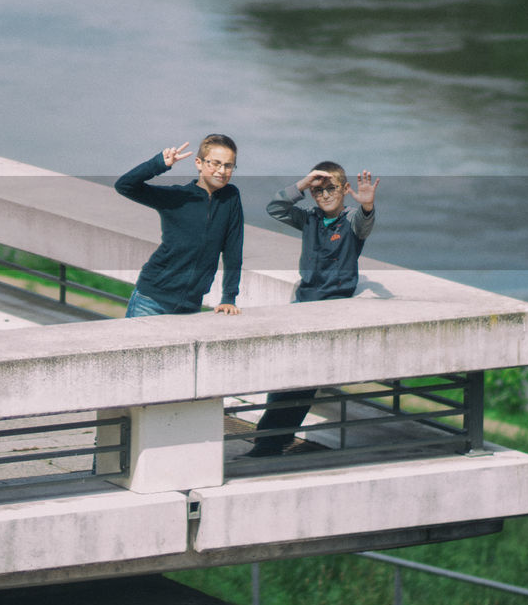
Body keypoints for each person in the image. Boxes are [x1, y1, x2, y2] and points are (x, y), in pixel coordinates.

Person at [246, 162, 379, 457]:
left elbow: (365, 224)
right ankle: (268, 439)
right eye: (318, 191)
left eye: (331, 188)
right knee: (285, 376)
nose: (325, 195)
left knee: (302, 381)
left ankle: (271, 442)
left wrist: (368, 206)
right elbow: (275, 208)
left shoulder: (351, 222)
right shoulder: (309, 219)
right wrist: (303, 184)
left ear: (345, 190)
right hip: (303, 305)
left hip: (330, 310)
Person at [115, 134, 243, 317]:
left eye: (228, 165)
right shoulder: (177, 197)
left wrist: (229, 298)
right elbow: (124, 186)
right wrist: (159, 164)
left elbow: (233, 250)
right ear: (199, 163)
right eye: (215, 163)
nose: (221, 171)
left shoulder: (231, 198)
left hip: (190, 307)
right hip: (151, 300)